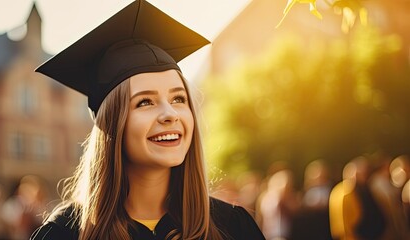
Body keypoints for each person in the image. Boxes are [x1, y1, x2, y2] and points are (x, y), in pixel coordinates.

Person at [30, 1, 264, 239]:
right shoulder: (65, 233)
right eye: (145, 102)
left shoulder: (233, 227)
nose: (170, 114)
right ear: (111, 124)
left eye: (178, 99)